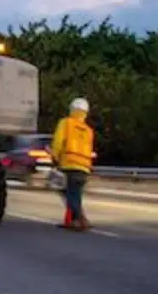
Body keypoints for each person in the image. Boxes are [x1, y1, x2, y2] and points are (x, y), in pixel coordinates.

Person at [50, 97, 96, 231]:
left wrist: (55, 156)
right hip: (84, 167)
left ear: (72, 109)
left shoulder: (66, 123)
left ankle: (81, 219)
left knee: (66, 192)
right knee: (76, 194)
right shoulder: (88, 130)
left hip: (69, 164)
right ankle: (74, 220)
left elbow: (58, 142)